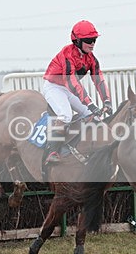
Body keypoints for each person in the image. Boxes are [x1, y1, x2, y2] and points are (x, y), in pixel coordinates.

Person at [42, 20, 112, 164]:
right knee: (65, 115)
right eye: (88, 40)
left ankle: (84, 148)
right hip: (54, 87)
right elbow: (72, 82)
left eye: (94, 40)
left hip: (68, 88)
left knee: (91, 116)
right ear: (78, 41)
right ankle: (52, 151)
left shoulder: (91, 58)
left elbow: (99, 80)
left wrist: (107, 101)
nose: (92, 44)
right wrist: (90, 103)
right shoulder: (66, 54)